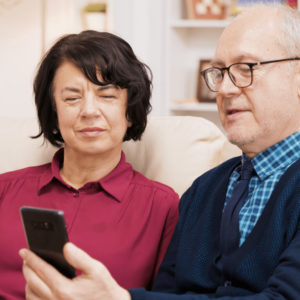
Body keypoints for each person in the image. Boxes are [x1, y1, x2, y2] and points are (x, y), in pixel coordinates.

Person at [20, 3, 300, 300]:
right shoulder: (203, 191)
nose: (225, 89)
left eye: (246, 69)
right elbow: (168, 292)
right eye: (219, 73)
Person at [0, 30, 180, 299]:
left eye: (107, 95)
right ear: (54, 112)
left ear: (130, 111)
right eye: (72, 98)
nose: (89, 111)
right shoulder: (5, 189)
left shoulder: (162, 206)